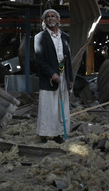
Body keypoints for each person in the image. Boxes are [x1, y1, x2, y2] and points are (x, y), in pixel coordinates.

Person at [34, 9, 74, 144]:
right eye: (48, 17)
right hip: (49, 78)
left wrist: (70, 79)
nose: (50, 18)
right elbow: (39, 60)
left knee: (60, 105)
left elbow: (68, 60)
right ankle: (44, 135)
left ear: (58, 19)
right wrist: (52, 74)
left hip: (63, 75)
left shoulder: (65, 37)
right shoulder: (39, 37)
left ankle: (58, 134)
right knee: (47, 106)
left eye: (53, 16)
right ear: (45, 21)